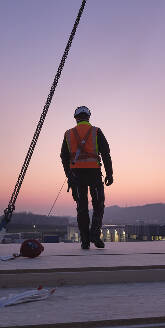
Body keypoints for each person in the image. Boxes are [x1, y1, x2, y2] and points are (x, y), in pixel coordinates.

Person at [60, 105, 113, 249]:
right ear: (88, 117)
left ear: (76, 118)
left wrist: (69, 176)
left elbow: (64, 157)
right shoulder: (96, 131)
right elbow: (106, 154)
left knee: (81, 207)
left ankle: (84, 241)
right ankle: (95, 235)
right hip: (94, 174)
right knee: (98, 205)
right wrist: (109, 174)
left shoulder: (68, 134)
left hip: (77, 175)